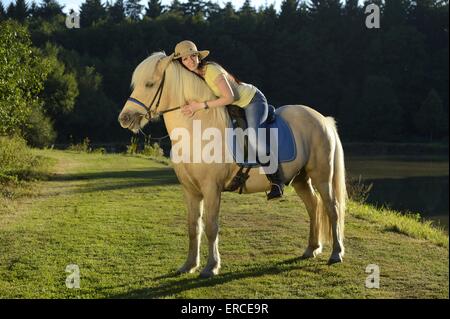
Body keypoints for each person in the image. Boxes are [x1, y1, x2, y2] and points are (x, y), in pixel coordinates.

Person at [173, 40, 283, 200]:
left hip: (251, 100)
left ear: (198, 56)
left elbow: (229, 96)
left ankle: (276, 182)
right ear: (181, 63)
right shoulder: (194, 77)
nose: (190, 61)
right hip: (233, 106)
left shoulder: (210, 70)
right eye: (185, 59)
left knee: (253, 137)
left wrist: (200, 106)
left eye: (193, 56)